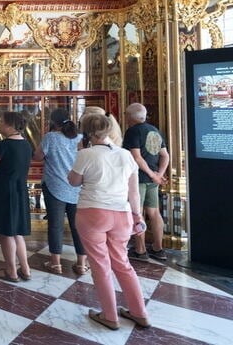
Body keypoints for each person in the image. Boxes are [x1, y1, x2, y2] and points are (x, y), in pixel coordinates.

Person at [69, 113, 151, 330]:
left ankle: (110, 315)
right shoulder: (126, 155)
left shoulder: (86, 153)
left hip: (92, 212)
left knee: (100, 265)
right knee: (123, 264)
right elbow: (133, 192)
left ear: (87, 132)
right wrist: (137, 216)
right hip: (122, 214)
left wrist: (81, 158)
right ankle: (139, 312)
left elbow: (73, 181)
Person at [33, 108, 88, 275]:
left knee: (55, 225)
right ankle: (81, 263)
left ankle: (55, 263)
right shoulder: (80, 138)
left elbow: (38, 156)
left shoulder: (51, 137)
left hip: (54, 186)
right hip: (77, 187)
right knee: (79, 226)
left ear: (53, 122)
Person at [0, 111, 33, 282]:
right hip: (20, 191)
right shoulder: (27, 145)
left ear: (10, 125)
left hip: (4, 192)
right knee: (17, 232)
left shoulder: (2, 145)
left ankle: (11, 271)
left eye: (2, 121)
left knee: (6, 233)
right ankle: (25, 269)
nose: (0, 123)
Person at [123, 103, 170, 261]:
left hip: (139, 178)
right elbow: (165, 155)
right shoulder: (154, 131)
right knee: (154, 212)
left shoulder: (132, 131)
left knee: (138, 212)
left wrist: (151, 174)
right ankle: (158, 248)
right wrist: (158, 175)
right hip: (153, 179)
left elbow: (136, 157)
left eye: (126, 115)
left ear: (130, 117)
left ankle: (140, 250)